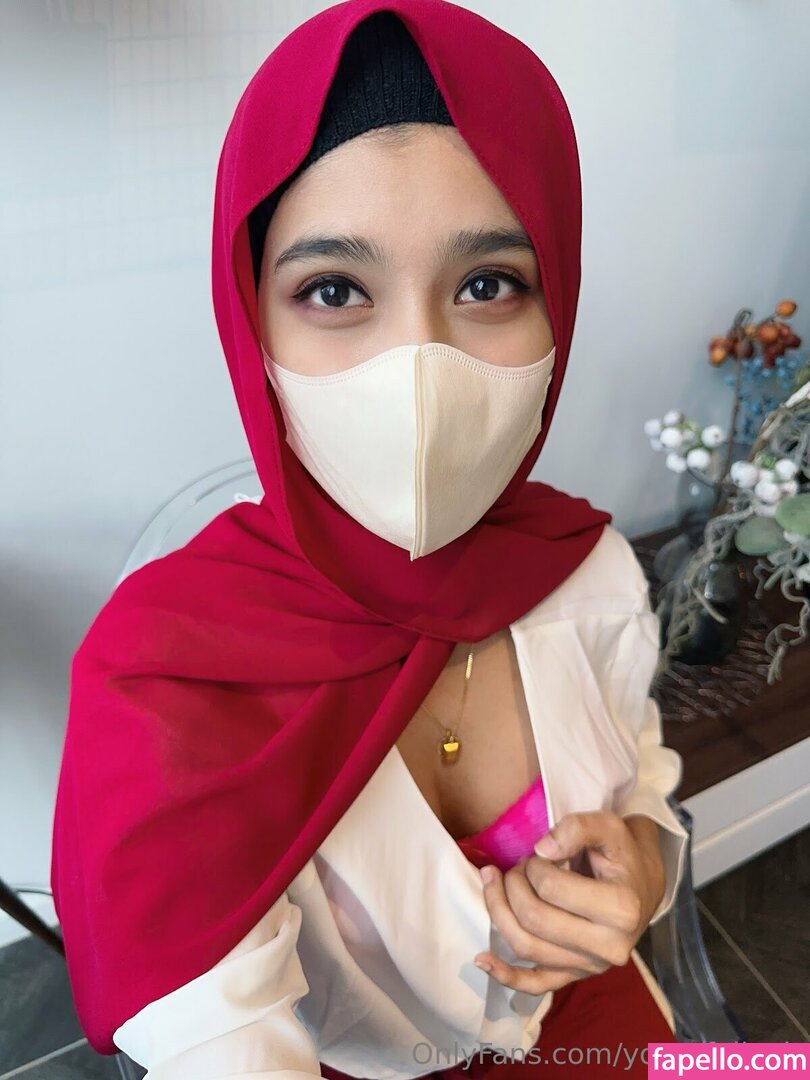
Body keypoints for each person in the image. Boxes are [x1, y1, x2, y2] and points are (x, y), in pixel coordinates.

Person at [50, 2, 688, 1078]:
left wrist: (641, 865)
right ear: (252, 322)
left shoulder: (590, 573)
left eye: (488, 284)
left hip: (602, 1032)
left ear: (558, 302)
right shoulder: (167, 679)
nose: (417, 368)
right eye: (335, 290)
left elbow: (645, 784)